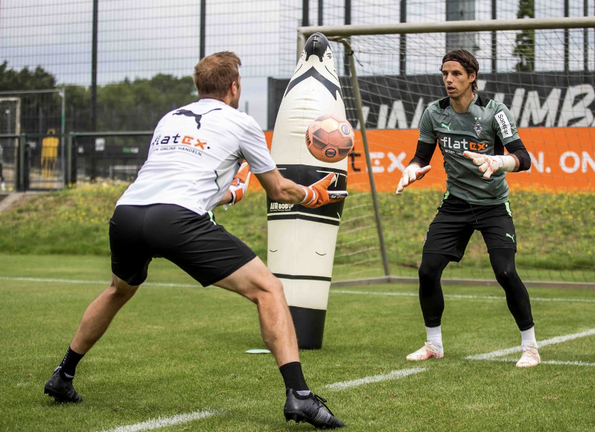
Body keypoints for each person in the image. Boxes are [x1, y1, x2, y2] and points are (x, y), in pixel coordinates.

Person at [44, 52, 346, 429]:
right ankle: (300, 396)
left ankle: (63, 375)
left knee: (117, 290)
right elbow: (280, 190)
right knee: (268, 289)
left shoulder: (169, 119)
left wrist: (230, 194)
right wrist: (311, 195)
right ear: (234, 87)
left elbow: (175, 182)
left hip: (127, 214)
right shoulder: (241, 122)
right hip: (175, 220)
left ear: (198, 86)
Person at [396, 49, 540, 368]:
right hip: (455, 204)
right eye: (445, 74)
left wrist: (498, 161)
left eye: (456, 74)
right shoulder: (434, 113)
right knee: (427, 271)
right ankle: (433, 344)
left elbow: (524, 158)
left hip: (492, 205)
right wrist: (411, 168)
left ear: (471, 77)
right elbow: (422, 156)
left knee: (505, 272)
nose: (449, 79)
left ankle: (530, 347)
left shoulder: (493, 112)